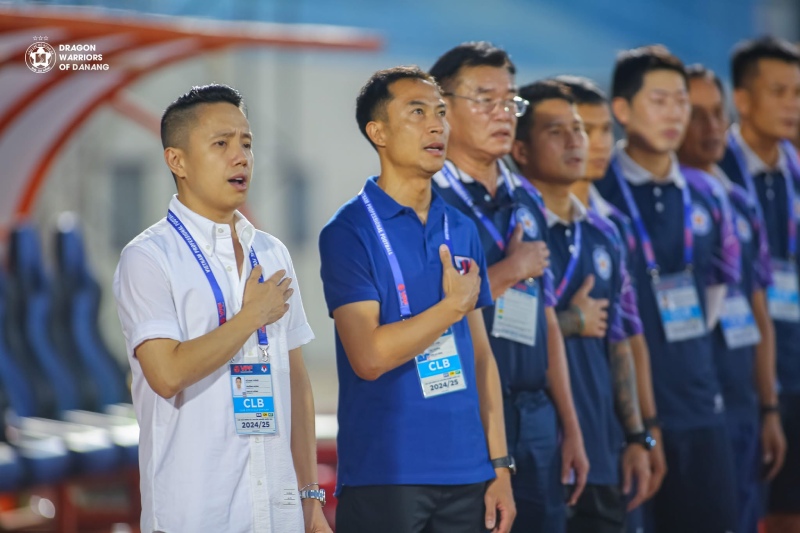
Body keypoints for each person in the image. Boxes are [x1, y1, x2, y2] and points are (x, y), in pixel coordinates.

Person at [113, 84, 330, 533]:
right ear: (177, 161)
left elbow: (298, 385)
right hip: (195, 511)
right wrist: (250, 317)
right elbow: (166, 374)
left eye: (246, 143)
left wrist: (310, 502)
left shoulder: (271, 252)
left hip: (278, 511)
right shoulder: (148, 257)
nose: (241, 157)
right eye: (221, 144)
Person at [319, 66, 516, 533]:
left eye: (441, 113)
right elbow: (368, 357)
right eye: (418, 112)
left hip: (470, 475)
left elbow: (482, 358)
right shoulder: (349, 232)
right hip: (387, 475)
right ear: (378, 132)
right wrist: (450, 308)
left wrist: (501, 465)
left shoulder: (461, 228)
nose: (437, 126)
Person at [429, 42, 588, 533]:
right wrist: (511, 268)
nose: (503, 113)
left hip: (537, 412)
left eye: (511, 100)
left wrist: (572, 426)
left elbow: (545, 315)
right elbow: (430, 315)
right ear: (443, 108)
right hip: (466, 410)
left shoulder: (527, 198)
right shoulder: (430, 198)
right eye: (484, 99)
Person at [594, 45, 741, 533]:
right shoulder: (597, 191)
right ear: (622, 109)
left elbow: (719, 289)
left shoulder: (709, 195)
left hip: (698, 403)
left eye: (682, 101)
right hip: (625, 421)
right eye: (660, 100)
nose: (676, 114)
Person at [512, 79, 651, 533]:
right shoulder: (509, 227)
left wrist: (636, 436)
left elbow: (619, 341)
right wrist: (572, 320)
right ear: (521, 150)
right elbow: (500, 327)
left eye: (581, 129)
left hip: (600, 449)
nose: (578, 141)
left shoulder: (606, 232)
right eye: (557, 131)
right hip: (533, 451)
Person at [677, 63, 787, 533]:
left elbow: (758, 307)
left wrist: (768, 407)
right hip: (687, 406)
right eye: (695, 114)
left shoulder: (740, 201)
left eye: (716, 114)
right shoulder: (637, 201)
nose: (710, 127)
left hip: (742, 399)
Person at [554, 75, 668, 508]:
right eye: (583, 129)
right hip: (542, 438)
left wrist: (642, 428)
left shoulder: (612, 228)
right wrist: (568, 322)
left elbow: (627, 334)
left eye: (604, 131)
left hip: (605, 432)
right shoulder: (523, 223)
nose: (594, 143)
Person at [717, 36, 800, 533]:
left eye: (798, 92)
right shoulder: (710, 171)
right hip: (735, 374)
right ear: (743, 99)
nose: (793, 104)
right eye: (780, 92)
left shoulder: (795, 168)